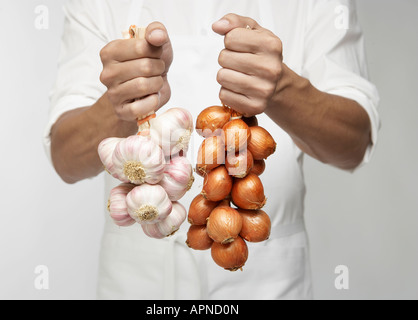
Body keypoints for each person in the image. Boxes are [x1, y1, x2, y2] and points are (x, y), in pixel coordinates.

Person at [44, 0, 379, 300]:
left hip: (269, 281)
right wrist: (119, 105)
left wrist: (283, 91)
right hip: (138, 282)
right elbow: (65, 157)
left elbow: (355, 142)